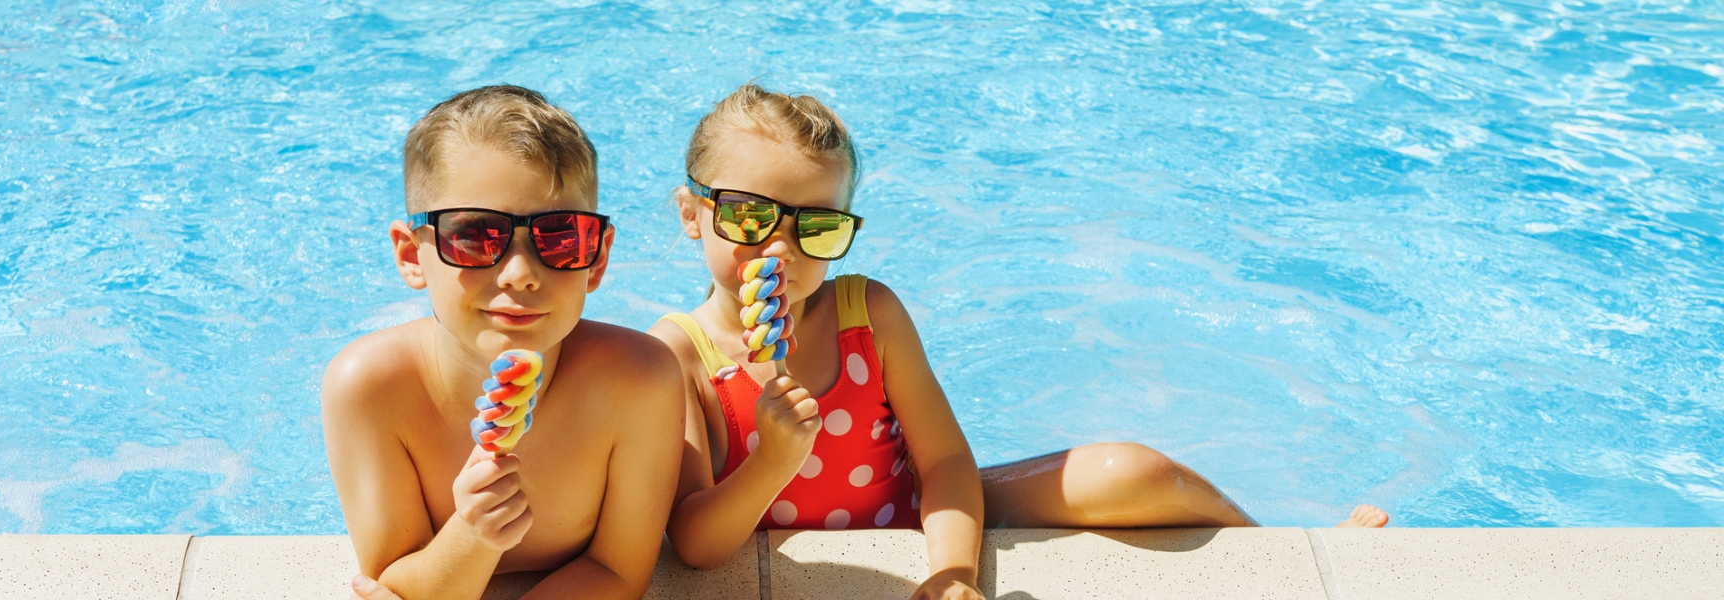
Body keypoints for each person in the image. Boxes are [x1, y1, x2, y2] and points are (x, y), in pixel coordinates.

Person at [649, 84, 1388, 600]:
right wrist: (772, 462)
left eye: (815, 226)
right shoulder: (679, 355)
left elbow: (942, 462)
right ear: (691, 214)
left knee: (1134, 470)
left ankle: (1286, 545)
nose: (780, 247)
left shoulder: (865, 313)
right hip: (771, 533)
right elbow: (696, 543)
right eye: (749, 217)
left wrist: (951, 569)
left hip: (916, 509)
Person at [323, 85, 685, 600]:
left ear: (598, 258)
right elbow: (392, 581)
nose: (519, 273)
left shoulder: (639, 380)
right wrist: (470, 539)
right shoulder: (369, 390)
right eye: (474, 236)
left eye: (561, 237)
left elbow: (618, 572)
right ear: (410, 255)